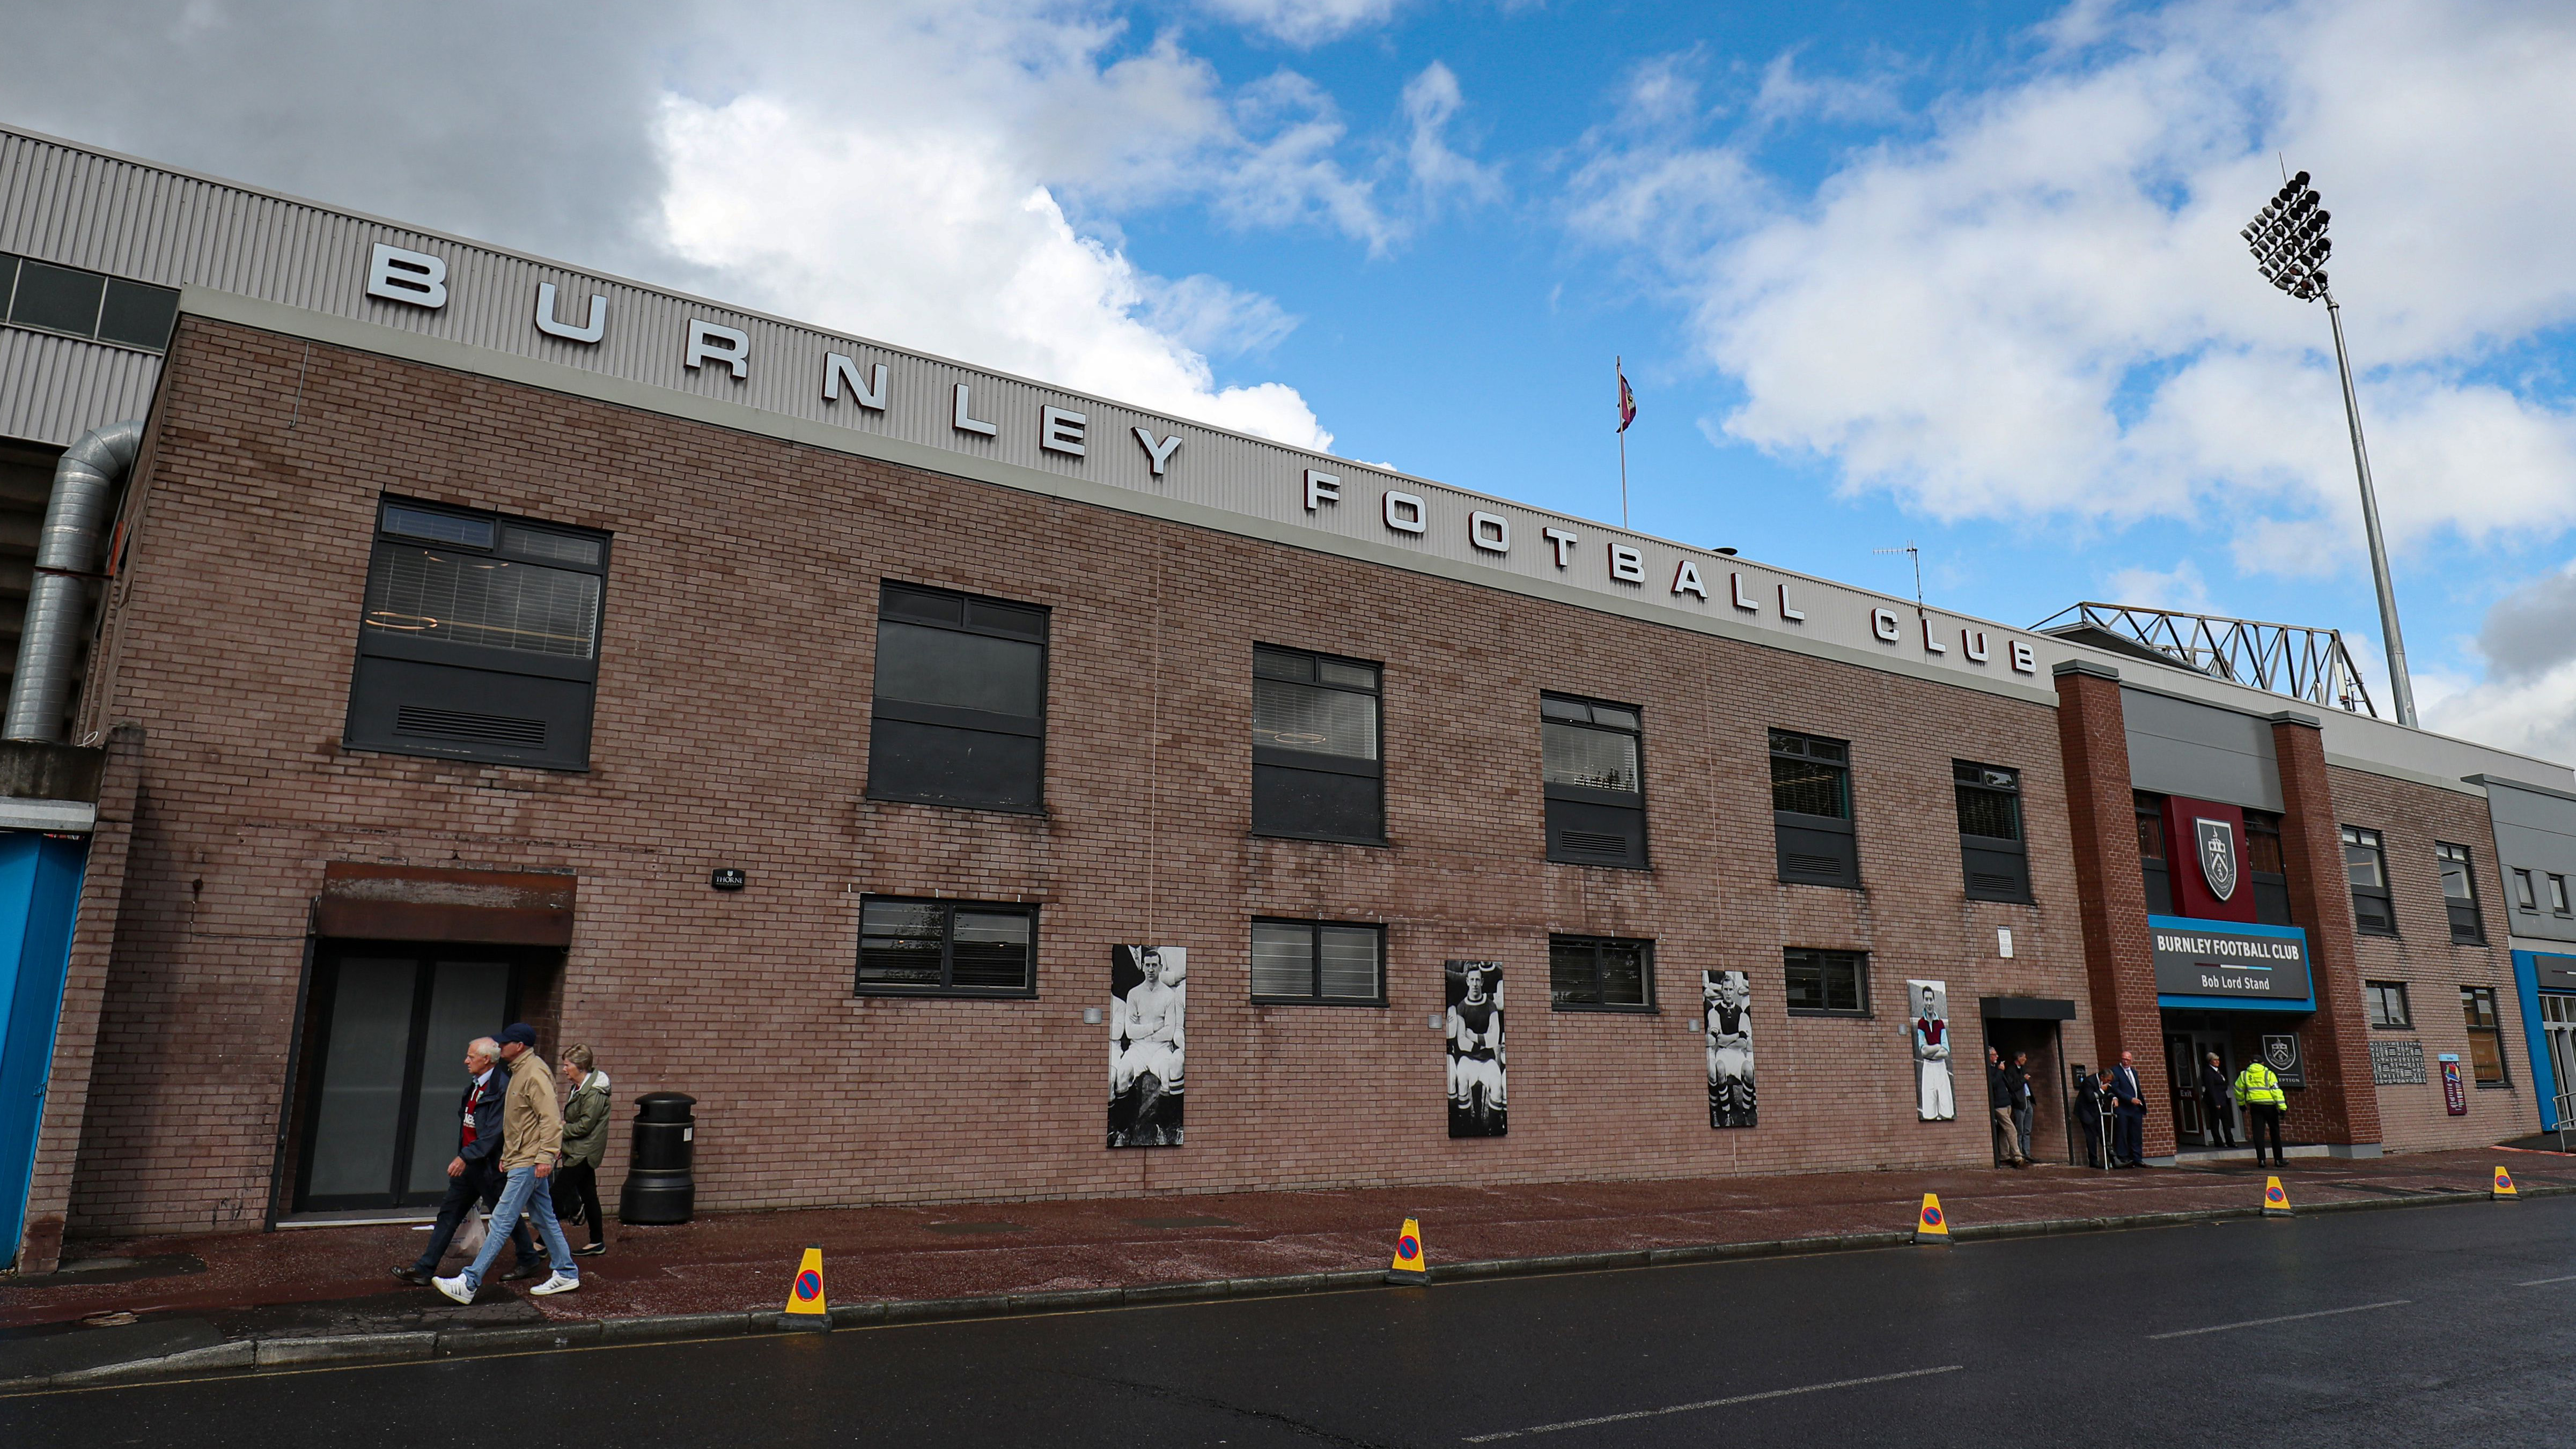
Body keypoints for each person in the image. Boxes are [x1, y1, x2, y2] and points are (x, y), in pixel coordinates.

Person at [434, 1023, 579, 1302]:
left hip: (530, 1161)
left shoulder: (533, 1073)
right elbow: (520, 1122)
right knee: (544, 1217)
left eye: (505, 1043)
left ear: (519, 1046)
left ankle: (470, 1282)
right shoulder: (520, 1071)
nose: (500, 1048)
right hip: (523, 1159)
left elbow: (549, 1118)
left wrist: (546, 1157)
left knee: (501, 1220)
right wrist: (509, 1156)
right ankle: (566, 1272)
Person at [393, 1036, 539, 1287]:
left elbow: (494, 1133)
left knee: (505, 1216)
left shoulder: (502, 1089)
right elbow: (469, 1120)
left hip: (490, 1167)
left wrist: (464, 1156)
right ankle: (424, 1268)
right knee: (449, 1213)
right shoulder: (475, 1085)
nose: (466, 1061)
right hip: (472, 1165)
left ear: (486, 1059)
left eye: (471, 1056)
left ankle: (528, 1257)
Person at [554, 1045, 611, 1256]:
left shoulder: (593, 1093)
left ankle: (541, 1245)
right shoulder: (579, 1088)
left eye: (567, 1065)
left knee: (554, 1197)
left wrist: (560, 1129)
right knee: (589, 1195)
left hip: (583, 1153)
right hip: (579, 1150)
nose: (564, 1069)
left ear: (580, 1066)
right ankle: (597, 1241)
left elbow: (585, 1126)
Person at [2235, 1054, 2288, 1169]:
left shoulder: (2244, 1075)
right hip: (2270, 1106)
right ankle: (2278, 1160)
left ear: (2250, 1062)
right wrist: (2282, 1107)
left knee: (2258, 1134)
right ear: (2263, 1063)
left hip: (2255, 1106)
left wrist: (2241, 1104)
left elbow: (2238, 1090)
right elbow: (2276, 1091)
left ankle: (2262, 1160)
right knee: (2275, 1132)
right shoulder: (2269, 1074)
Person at [1912, 985, 1954, 1121]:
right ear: (1923, 1001)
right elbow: (1923, 1051)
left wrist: (1931, 1051)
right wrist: (1937, 1046)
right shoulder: (1921, 1024)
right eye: (1926, 1000)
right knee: (1929, 1112)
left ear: (1934, 1001)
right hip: (1928, 1068)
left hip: (1941, 1067)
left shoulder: (1940, 1023)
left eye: (1931, 999)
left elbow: (1946, 1051)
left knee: (1947, 1110)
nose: (1929, 1003)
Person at [1986, 1047, 2027, 1167]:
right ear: (1988, 1056)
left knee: (2004, 1131)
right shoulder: (1990, 1069)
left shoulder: (1997, 1067)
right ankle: (2017, 1156)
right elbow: (1992, 1083)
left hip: (2006, 1103)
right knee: (2011, 1129)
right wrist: (2000, 1071)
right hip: (1999, 1105)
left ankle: (2004, 1155)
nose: (1997, 1057)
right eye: (1994, 1055)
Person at [2110, 1049, 2148, 1168]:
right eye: (2123, 1059)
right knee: (2122, 1133)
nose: (2125, 1061)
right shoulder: (2115, 1071)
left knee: (2136, 1134)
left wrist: (2139, 1102)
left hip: (2136, 1108)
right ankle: (2124, 1158)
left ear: (2132, 1060)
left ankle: (2138, 1158)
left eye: (2128, 1059)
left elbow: (2136, 1087)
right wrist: (2130, 1099)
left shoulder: (2134, 1072)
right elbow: (2116, 1089)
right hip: (2123, 1107)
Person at [2198, 1051, 2238, 1150]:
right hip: (2215, 1101)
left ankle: (2230, 1141)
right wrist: (2216, 1102)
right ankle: (2218, 1142)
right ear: (2210, 1061)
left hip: (2223, 1099)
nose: (2217, 1062)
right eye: (2215, 1060)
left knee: (2226, 1121)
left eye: (2218, 1060)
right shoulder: (2208, 1072)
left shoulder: (2218, 1071)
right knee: (2215, 1122)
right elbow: (2210, 1088)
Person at [2072, 1064, 2106, 1169]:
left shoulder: (2103, 1082)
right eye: (2107, 1080)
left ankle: (2112, 1157)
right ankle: (2093, 1161)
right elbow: (2091, 1097)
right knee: (2091, 1136)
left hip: (2095, 1112)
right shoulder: (2089, 1081)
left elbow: (2108, 1093)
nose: (2108, 1083)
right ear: (2102, 1077)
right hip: (2086, 1112)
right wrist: (2101, 1091)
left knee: (2103, 1133)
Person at [2011, 1051, 2038, 1164]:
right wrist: (2024, 1079)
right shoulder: (2011, 1071)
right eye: (2024, 1058)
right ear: (2018, 1058)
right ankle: (2020, 1154)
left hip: (2027, 1101)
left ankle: (2027, 1153)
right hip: (2020, 1102)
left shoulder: (2023, 1069)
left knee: (2027, 1129)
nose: (2026, 1060)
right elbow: (2013, 1086)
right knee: (2020, 1129)